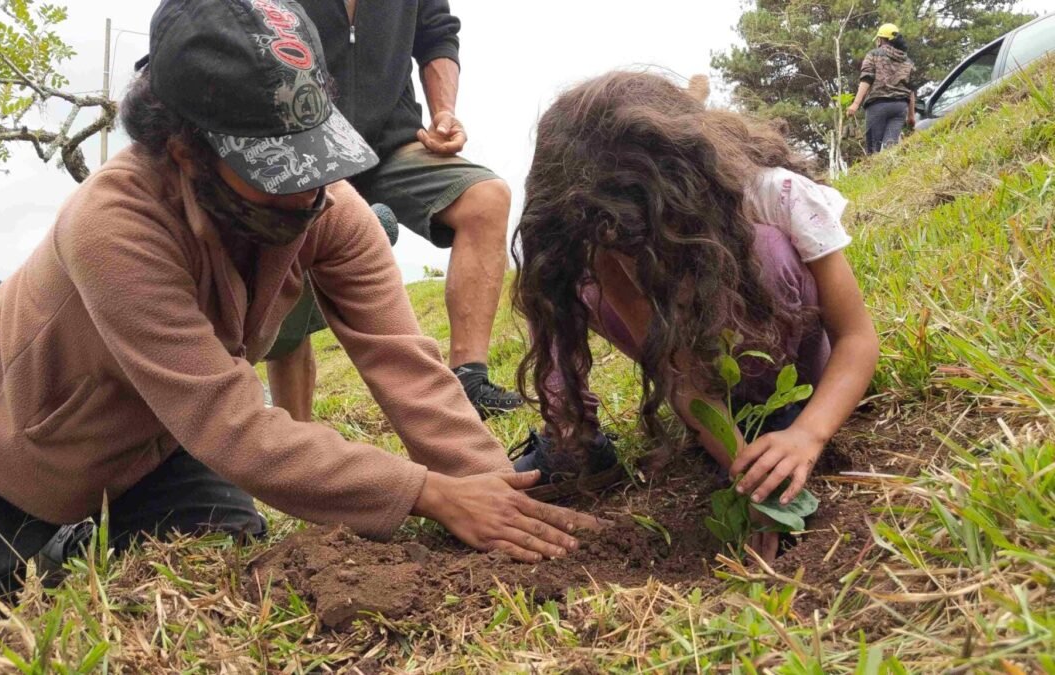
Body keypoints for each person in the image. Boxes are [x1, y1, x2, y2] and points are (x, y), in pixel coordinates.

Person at [0, 0, 600, 605]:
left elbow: (407, 364)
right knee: (2, 596)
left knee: (221, 558)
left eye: (314, 153)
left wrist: (492, 489)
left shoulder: (326, 206)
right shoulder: (113, 228)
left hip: (158, 446)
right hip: (8, 461)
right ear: (186, 150)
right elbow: (232, 425)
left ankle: (84, 540)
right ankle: (53, 545)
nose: (309, 192)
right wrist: (427, 493)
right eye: (278, 166)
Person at [509, 72, 878, 560]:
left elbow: (856, 337)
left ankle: (782, 409)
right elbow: (679, 374)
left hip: (801, 368)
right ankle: (572, 440)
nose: (633, 251)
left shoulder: (777, 196)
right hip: (713, 367)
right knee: (567, 281)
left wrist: (807, 432)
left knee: (763, 247)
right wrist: (745, 471)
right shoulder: (607, 240)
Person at [264, 0, 523, 421]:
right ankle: (297, 440)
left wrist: (443, 113)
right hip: (303, 146)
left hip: (391, 143)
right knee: (289, 262)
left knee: (485, 197)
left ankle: (469, 382)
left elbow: (437, 32)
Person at [847, 23, 919, 154]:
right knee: (890, 146)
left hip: (878, 106)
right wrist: (911, 115)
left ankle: (874, 172)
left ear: (880, 39)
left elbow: (866, 79)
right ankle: (891, 170)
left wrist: (855, 104)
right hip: (900, 107)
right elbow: (911, 90)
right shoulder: (907, 60)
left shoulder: (873, 55)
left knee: (874, 149)